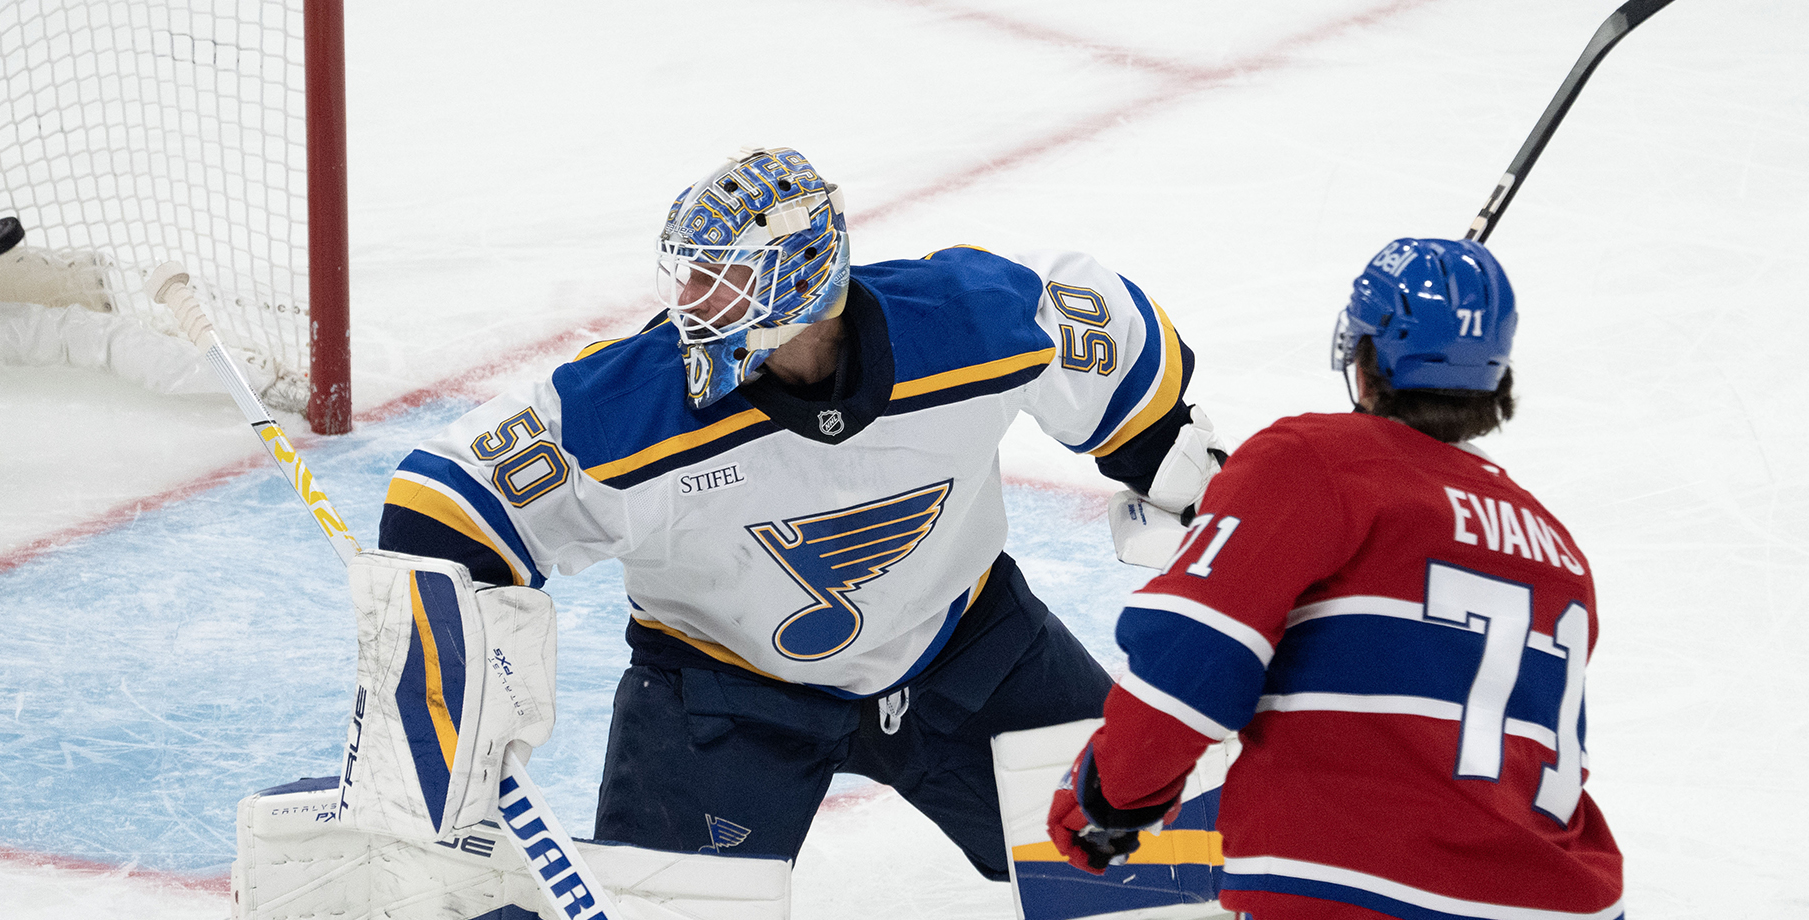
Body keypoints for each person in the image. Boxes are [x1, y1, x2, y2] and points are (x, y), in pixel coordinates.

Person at [375, 146, 1228, 879]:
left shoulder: (971, 323)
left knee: (1150, 868)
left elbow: (1129, 370)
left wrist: (1180, 479)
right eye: (692, 276)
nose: (695, 304)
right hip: (723, 693)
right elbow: (442, 506)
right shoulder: (632, 402)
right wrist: (455, 674)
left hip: (970, 649)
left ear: (803, 275)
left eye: (726, 278)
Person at [1048, 237, 1625, 919]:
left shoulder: (1313, 463)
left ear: (1362, 355)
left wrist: (1108, 797)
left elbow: (1195, 660)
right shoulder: (1554, 547)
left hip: (1359, 893)